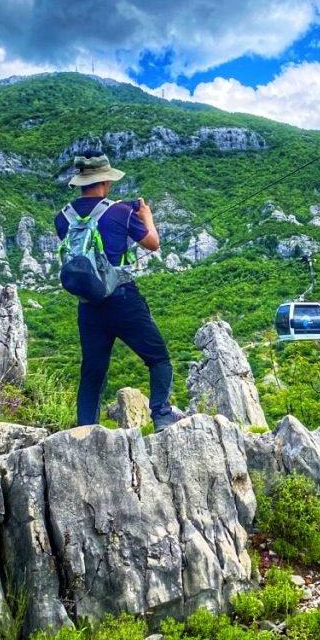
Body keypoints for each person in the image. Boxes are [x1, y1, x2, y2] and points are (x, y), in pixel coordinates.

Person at [54, 150, 184, 431]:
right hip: (123, 298)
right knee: (158, 358)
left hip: (88, 304)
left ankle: (85, 429)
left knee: (93, 371)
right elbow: (153, 243)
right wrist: (147, 216)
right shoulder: (121, 211)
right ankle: (161, 415)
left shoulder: (63, 218)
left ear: (80, 182)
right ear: (105, 181)